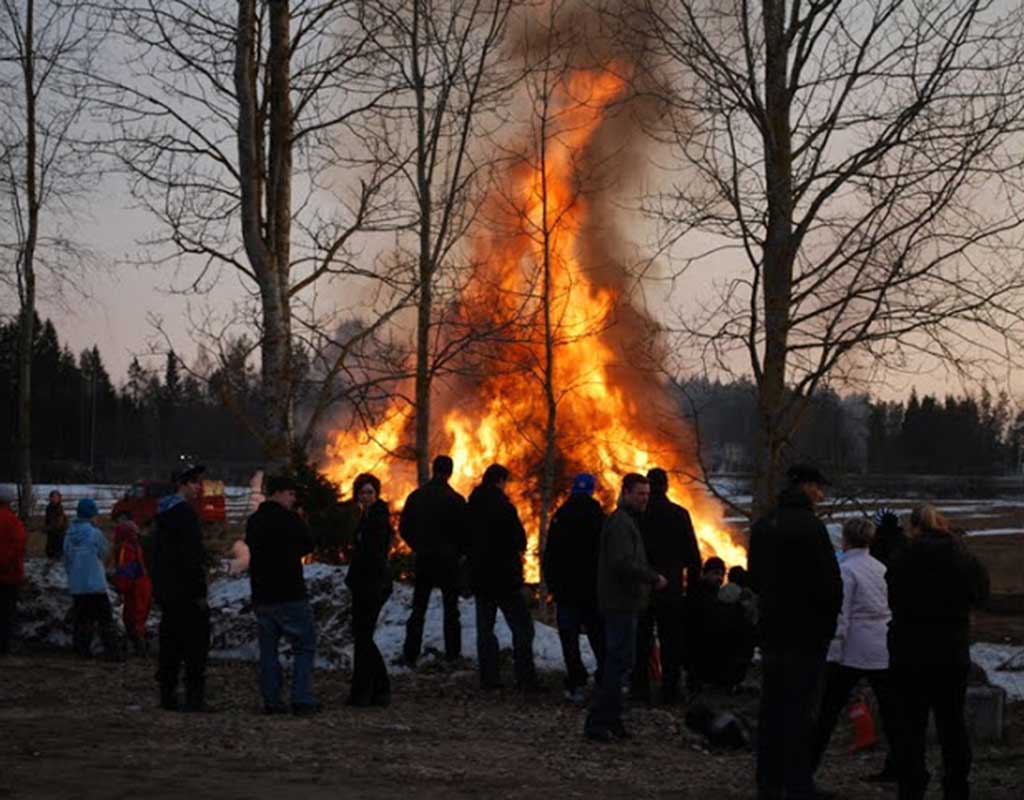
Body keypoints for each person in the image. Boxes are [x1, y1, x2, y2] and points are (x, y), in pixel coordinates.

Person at [748, 464, 842, 800]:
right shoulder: (812, 527)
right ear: (804, 487)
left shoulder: (764, 525)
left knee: (771, 707)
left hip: (773, 632)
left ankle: (768, 782)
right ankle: (798, 784)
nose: (821, 493)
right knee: (800, 711)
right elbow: (830, 584)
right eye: (817, 487)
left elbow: (754, 578)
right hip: (806, 634)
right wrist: (827, 625)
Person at [888, 504, 989, 800]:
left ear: (914, 527)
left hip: (909, 651)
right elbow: (980, 596)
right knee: (952, 723)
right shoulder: (964, 557)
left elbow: (890, 595)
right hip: (950, 650)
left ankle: (911, 786)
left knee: (911, 725)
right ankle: (956, 786)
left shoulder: (903, 556)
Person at [811, 518, 901, 783]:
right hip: (882, 648)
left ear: (846, 540)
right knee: (891, 711)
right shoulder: (880, 567)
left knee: (827, 711)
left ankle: (806, 769)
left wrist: (833, 652)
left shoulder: (846, 571)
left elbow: (842, 614)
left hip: (853, 650)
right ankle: (899, 765)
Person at [584, 473, 667, 742]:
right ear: (626, 493)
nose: (645, 499)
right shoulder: (620, 523)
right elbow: (622, 563)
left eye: (647, 494)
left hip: (626, 603)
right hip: (620, 604)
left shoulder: (627, 521)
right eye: (640, 494)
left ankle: (612, 719)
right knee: (617, 663)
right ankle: (599, 721)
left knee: (622, 662)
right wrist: (652, 577)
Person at [246, 474, 318, 715]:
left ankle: (272, 700)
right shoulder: (290, 519)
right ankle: (301, 698)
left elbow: (252, 546)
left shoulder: (254, 521)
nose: (293, 499)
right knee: (304, 646)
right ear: (277, 492)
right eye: (291, 493)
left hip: (262, 595)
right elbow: (309, 544)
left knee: (268, 651)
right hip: (290, 593)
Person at [632, 467, 702, 705]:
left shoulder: (638, 516)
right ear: (667, 486)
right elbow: (693, 556)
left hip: (642, 587)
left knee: (641, 640)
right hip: (671, 589)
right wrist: (693, 590)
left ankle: (640, 689)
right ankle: (670, 690)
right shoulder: (679, 514)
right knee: (671, 641)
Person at [467, 464, 540, 691]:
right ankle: (525, 678)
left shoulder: (471, 506)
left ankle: (489, 679)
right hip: (504, 578)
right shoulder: (504, 507)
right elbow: (519, 540)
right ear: (500, 481)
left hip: (480, 577)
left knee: (485, 630)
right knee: (523, 628)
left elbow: (464, 539)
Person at [542, 472, 606, 703]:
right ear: (591, 490)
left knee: (569, 639)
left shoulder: (561, 515)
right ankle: (604, 681)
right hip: (592, 591)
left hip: (566, 592)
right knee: (599, 637)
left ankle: (576, 682)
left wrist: (553, 586)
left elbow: (550, 555)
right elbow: (606, 554)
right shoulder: (599, 517)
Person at [151, 463, 211, 712]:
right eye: (195, 482)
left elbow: (156, 555)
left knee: (170, 645)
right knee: (195, 646)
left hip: (168, 592)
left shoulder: (163, 513)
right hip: (187, 592)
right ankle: (194, 698)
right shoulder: (185, 515)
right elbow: (192, 556)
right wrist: (200, 591)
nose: (199, 487)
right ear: (182, 484)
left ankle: (168, 695)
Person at [399, 455, 469, 666]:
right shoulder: (456, 500)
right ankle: (453, 654)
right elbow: (466, 533)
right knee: (451, 610)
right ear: (450, 472)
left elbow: (404, 528)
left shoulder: (416, 497)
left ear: (433, 469)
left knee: (418, 609)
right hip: (448, 563)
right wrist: (457, 552)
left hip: (424, 560)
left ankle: (410, 654)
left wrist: (417, 547)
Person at [345, 473, 394, 707]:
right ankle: (374, 689)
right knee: (362, 637)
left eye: (370, 492)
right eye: (362, 492)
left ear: (376, 494)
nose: (366, 496)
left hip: (373, 584)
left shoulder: (378, 518)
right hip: (363, 583)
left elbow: (374, 553)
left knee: (363, 637)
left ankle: (372, 690)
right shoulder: (366, 517)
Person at [64, 498, 122, 659]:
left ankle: (81, 650)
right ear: (91, 515)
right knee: (105, 619)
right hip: (95, 584)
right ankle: (112, 651)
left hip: (77, 585)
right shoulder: (94, 533)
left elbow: (67, 559)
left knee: (82, 619)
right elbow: (105, 553)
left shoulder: (68, 535)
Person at [112, 512, 153, 656]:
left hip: (135, 587)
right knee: (139, 616)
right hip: (143, 584)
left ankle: (139, 647)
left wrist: (119, 590)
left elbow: (125, 572)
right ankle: (140, 646)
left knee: (133, 617)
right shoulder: (138, 546)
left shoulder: (126, 549)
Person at [685, 556, 727, 691]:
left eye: (722, 574)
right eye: (716, 573)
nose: (720, 578)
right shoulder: (698, 593)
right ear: (706, 573)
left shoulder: (717, 593)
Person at [0, 486, 28, 656]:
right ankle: (4, 646)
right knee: (6, 611)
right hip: (9, 574)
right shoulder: (12, 521)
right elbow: (19, 544)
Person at [44, 490, 68, 560]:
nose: (54, 499)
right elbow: (48, 520)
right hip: (51, 532)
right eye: (53, 497)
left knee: (58, 549)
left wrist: (60, 526)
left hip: (59, 532)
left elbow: (61, 521)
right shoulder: (48, 508)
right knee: (50, 549)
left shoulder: (60, 508)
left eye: (56, 497)